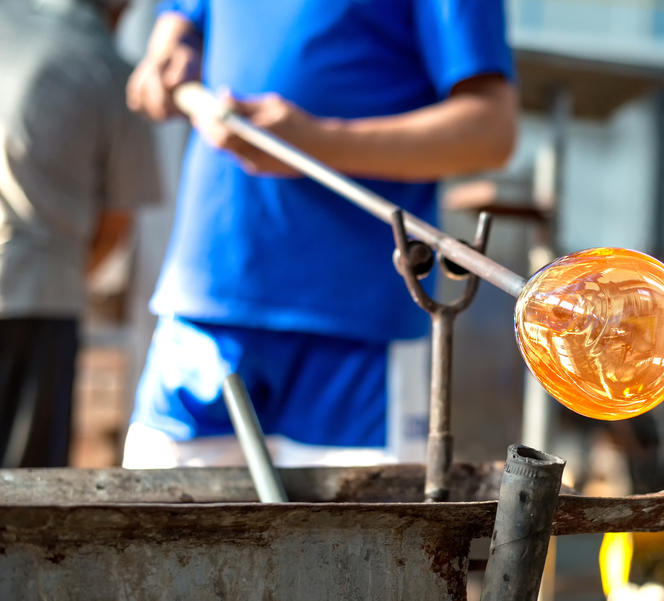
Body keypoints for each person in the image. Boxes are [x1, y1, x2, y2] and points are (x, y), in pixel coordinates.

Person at [122, 0, 517, 468]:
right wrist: (167, 51)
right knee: (157, 531)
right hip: (209, 304)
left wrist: (317, 143)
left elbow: (492, 129)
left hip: (360, 328)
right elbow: (178, 25)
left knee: (354, 540)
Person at [0, 0, 161, 467]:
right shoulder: (111, 73)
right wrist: (68, 272)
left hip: (34, 288)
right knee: (23, 503)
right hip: (38, 300)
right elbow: (116, 224)